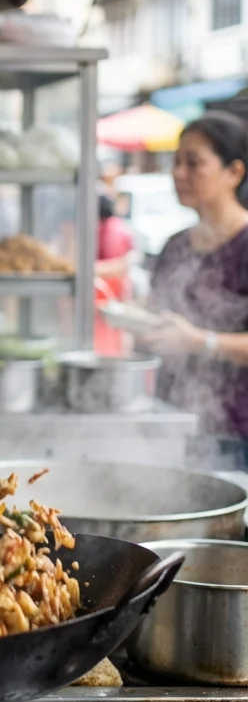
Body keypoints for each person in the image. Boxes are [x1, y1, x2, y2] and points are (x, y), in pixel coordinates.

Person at [137, 112, 248, 464]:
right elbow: (157, 308)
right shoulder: (175, 245)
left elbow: (194, 335)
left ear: (234, 172)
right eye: (176, 162)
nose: (178, 173)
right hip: (171, 421)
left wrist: (200, 341)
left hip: (236, 432)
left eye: (193, 163)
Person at [94, 192, 135, 355]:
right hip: (117, 287)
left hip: (106, 289)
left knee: (105, 333)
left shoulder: (107, 229)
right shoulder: (121, 227)